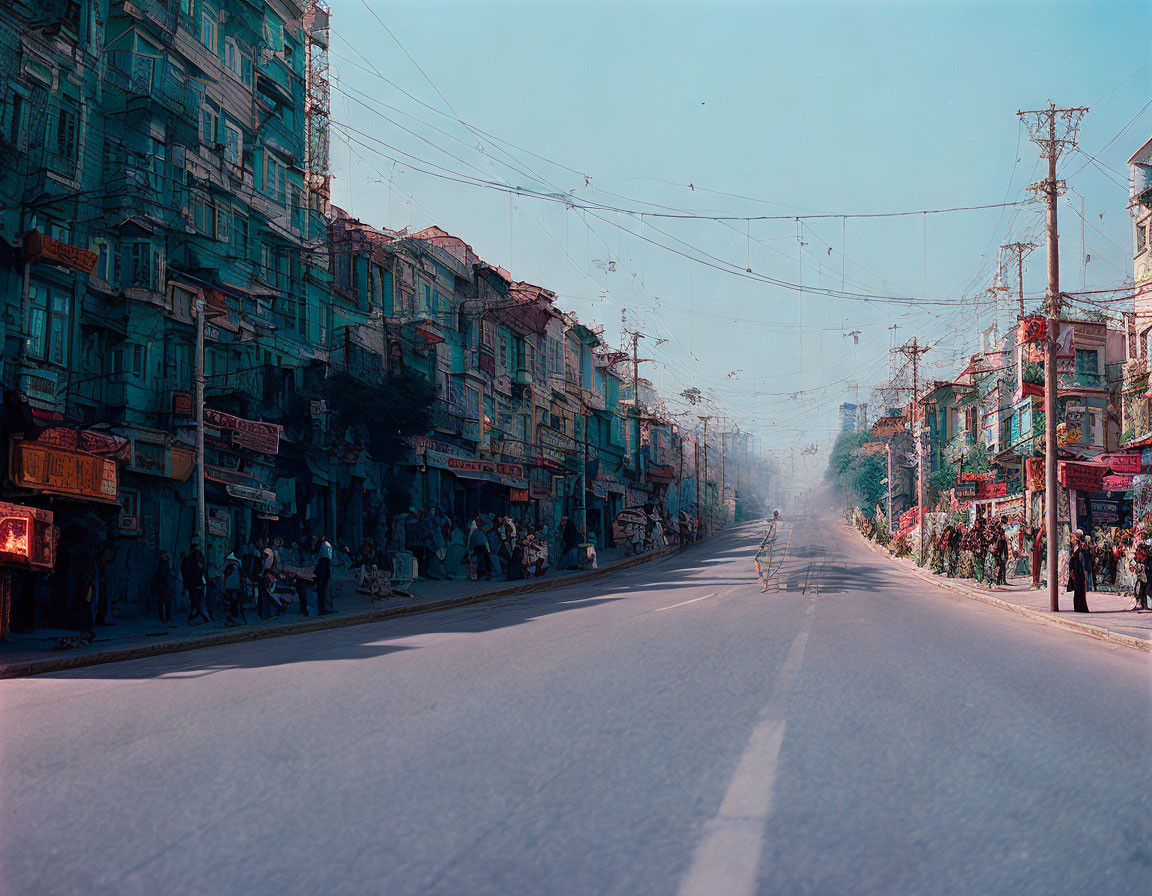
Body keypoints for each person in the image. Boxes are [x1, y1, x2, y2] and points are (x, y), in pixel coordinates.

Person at [181, 540, 210, 624]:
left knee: (196, 602)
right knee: (196, 602)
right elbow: (201, 570)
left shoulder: (189, 559)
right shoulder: (196, 558)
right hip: (196, 584)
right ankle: (196, 618)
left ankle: (194, 618)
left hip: (194, 584)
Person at [1068, 531, 1092, 613]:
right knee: (1077, 590)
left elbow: (1081, 561)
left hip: (1079, 572)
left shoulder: (1080, 549)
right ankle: (1078, 607)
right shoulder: (1075, 549)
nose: (1071, 539)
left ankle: (1081, 607)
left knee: (1080, 590)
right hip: (1076, 572)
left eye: (1072, 538)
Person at [222, 553, 245, 625]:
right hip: (235, 587)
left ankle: (232, 618)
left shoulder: (227, 563)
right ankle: (234, 617)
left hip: (230, 587)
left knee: (231, 603)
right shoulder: (237, 563)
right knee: (234, 603)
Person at [468, 514, 492, 580]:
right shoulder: (475, 532)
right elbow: (473, 542)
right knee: (477, 561)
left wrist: (488, 550)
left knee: (485, 561)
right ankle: (478, 575)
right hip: (478, 548)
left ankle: (487, 574)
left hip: (482, 548)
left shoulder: (481, 533)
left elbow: (485, 542)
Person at [315, 535, 333, 615]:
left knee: (322, 589)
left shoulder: (324, 545)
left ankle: (322, 608)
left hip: (324, 565)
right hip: (323, 565)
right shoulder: (323, 545)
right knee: (321, 588)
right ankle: (321, 609)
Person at [153, 551, 174, 624]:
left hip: (163, 585)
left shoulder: (163, 563)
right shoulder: (163, 564)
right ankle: (166, 619)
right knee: (166, 603)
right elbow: (163, 575)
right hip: (163, 586)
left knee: (163, 603)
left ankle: (165, 619)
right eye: (164, 554)